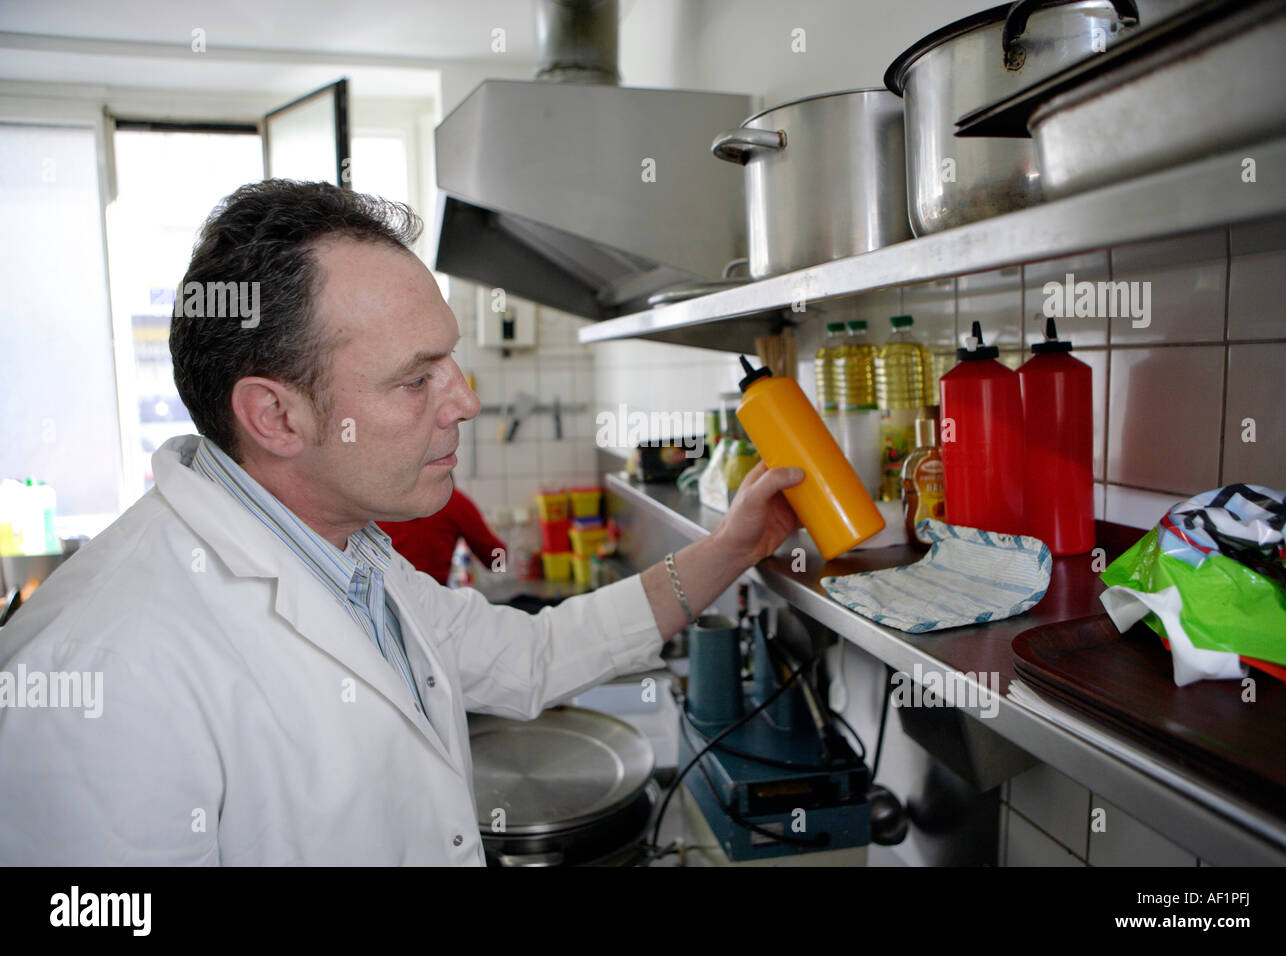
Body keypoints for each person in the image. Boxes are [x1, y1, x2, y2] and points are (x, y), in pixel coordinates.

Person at [0, 180, 803, 865]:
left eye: (447, 362)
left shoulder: (345, 555)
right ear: (276, 416)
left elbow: (532, 656)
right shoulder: (100, 677)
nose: (466, 401)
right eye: (416, 380)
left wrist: (734, 546)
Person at [378, 485, 506, 585]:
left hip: (380, 593)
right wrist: (491, 531)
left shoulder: (378, 499)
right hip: (432, 597)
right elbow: (497, 562)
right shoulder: (453, 501)